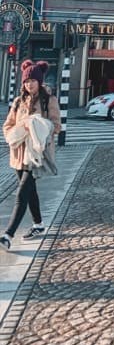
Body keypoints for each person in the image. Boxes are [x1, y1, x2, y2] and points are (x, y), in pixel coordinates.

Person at [1, 60, 61, 251]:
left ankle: (8, 235)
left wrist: (37, 126)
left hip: (36, 153)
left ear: (40, 81)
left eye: (33, 80)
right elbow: (8, 125)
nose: (30, 84)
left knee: (21, 193)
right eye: (27, 81)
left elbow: (56, 125)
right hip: (18, 153)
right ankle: (38, 224)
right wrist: (20, 129)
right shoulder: (18, 102)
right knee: (30, 190)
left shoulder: (48, 100)